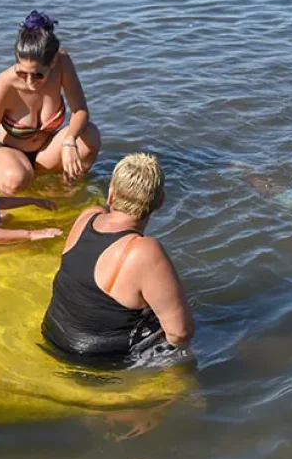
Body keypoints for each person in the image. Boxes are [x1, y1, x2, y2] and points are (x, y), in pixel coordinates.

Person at [42, 153, 195, 363]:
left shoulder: (88, 216)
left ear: (111, 196)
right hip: (96, 360)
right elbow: (180, 333)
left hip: (51, 335)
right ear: (160, 202)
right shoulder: (144, 250)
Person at [0, 11, 100, 195]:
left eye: (38, 75)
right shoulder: (3, 85)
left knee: (90, 136)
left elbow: (80, 110)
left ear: (52, 62)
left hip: (45, 153)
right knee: (16, 177)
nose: (29, 82)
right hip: (9, 154)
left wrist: (70, 141)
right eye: (22, 73)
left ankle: (63, 190)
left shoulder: (62, 63)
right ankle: (2, 186)